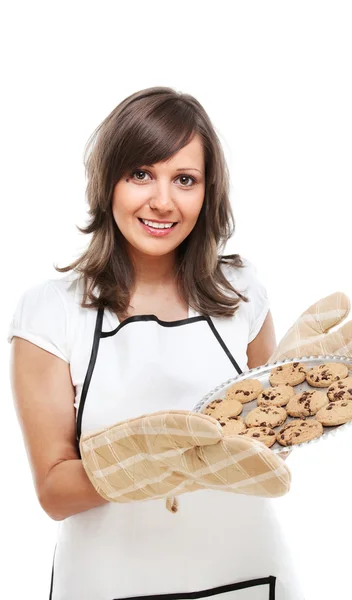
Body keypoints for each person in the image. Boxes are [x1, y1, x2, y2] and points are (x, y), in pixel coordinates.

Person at [8, 86, 304, 599]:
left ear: (207, 193)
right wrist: (161, 457)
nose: (162, 201)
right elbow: (54, 493)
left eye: (184, 180)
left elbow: (271, 445)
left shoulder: (242, 294)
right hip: (109, 582)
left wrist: (310, 403)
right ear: (109, 183)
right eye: (140, 174)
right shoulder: (50, 314)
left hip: (247, 573)